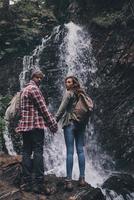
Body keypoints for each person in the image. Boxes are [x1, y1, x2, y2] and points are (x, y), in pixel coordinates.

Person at [16, 69, 58, 193]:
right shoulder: (34, 89)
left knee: (26, 152)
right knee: (38, 152)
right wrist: (53, 124)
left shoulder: (24, 90)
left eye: (41, 78)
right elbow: (43, 109)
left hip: (25, 127)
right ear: (33, 77)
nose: (39, 80)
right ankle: (39, 184)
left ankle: (27, 182)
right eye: (37, 77)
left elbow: (21, 110)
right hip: (35, 126)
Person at [56, 76, 92, 191]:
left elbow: (62, 109)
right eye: (66, 82)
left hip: (70, 123)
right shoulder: (81, 93)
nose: (66, 84)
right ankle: (82, 178)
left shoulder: (69, 93)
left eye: (69, 82)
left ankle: (69, 181)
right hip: (80, 124)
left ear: (73, 83)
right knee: (80, 150)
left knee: (70, 152)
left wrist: (54, 121)